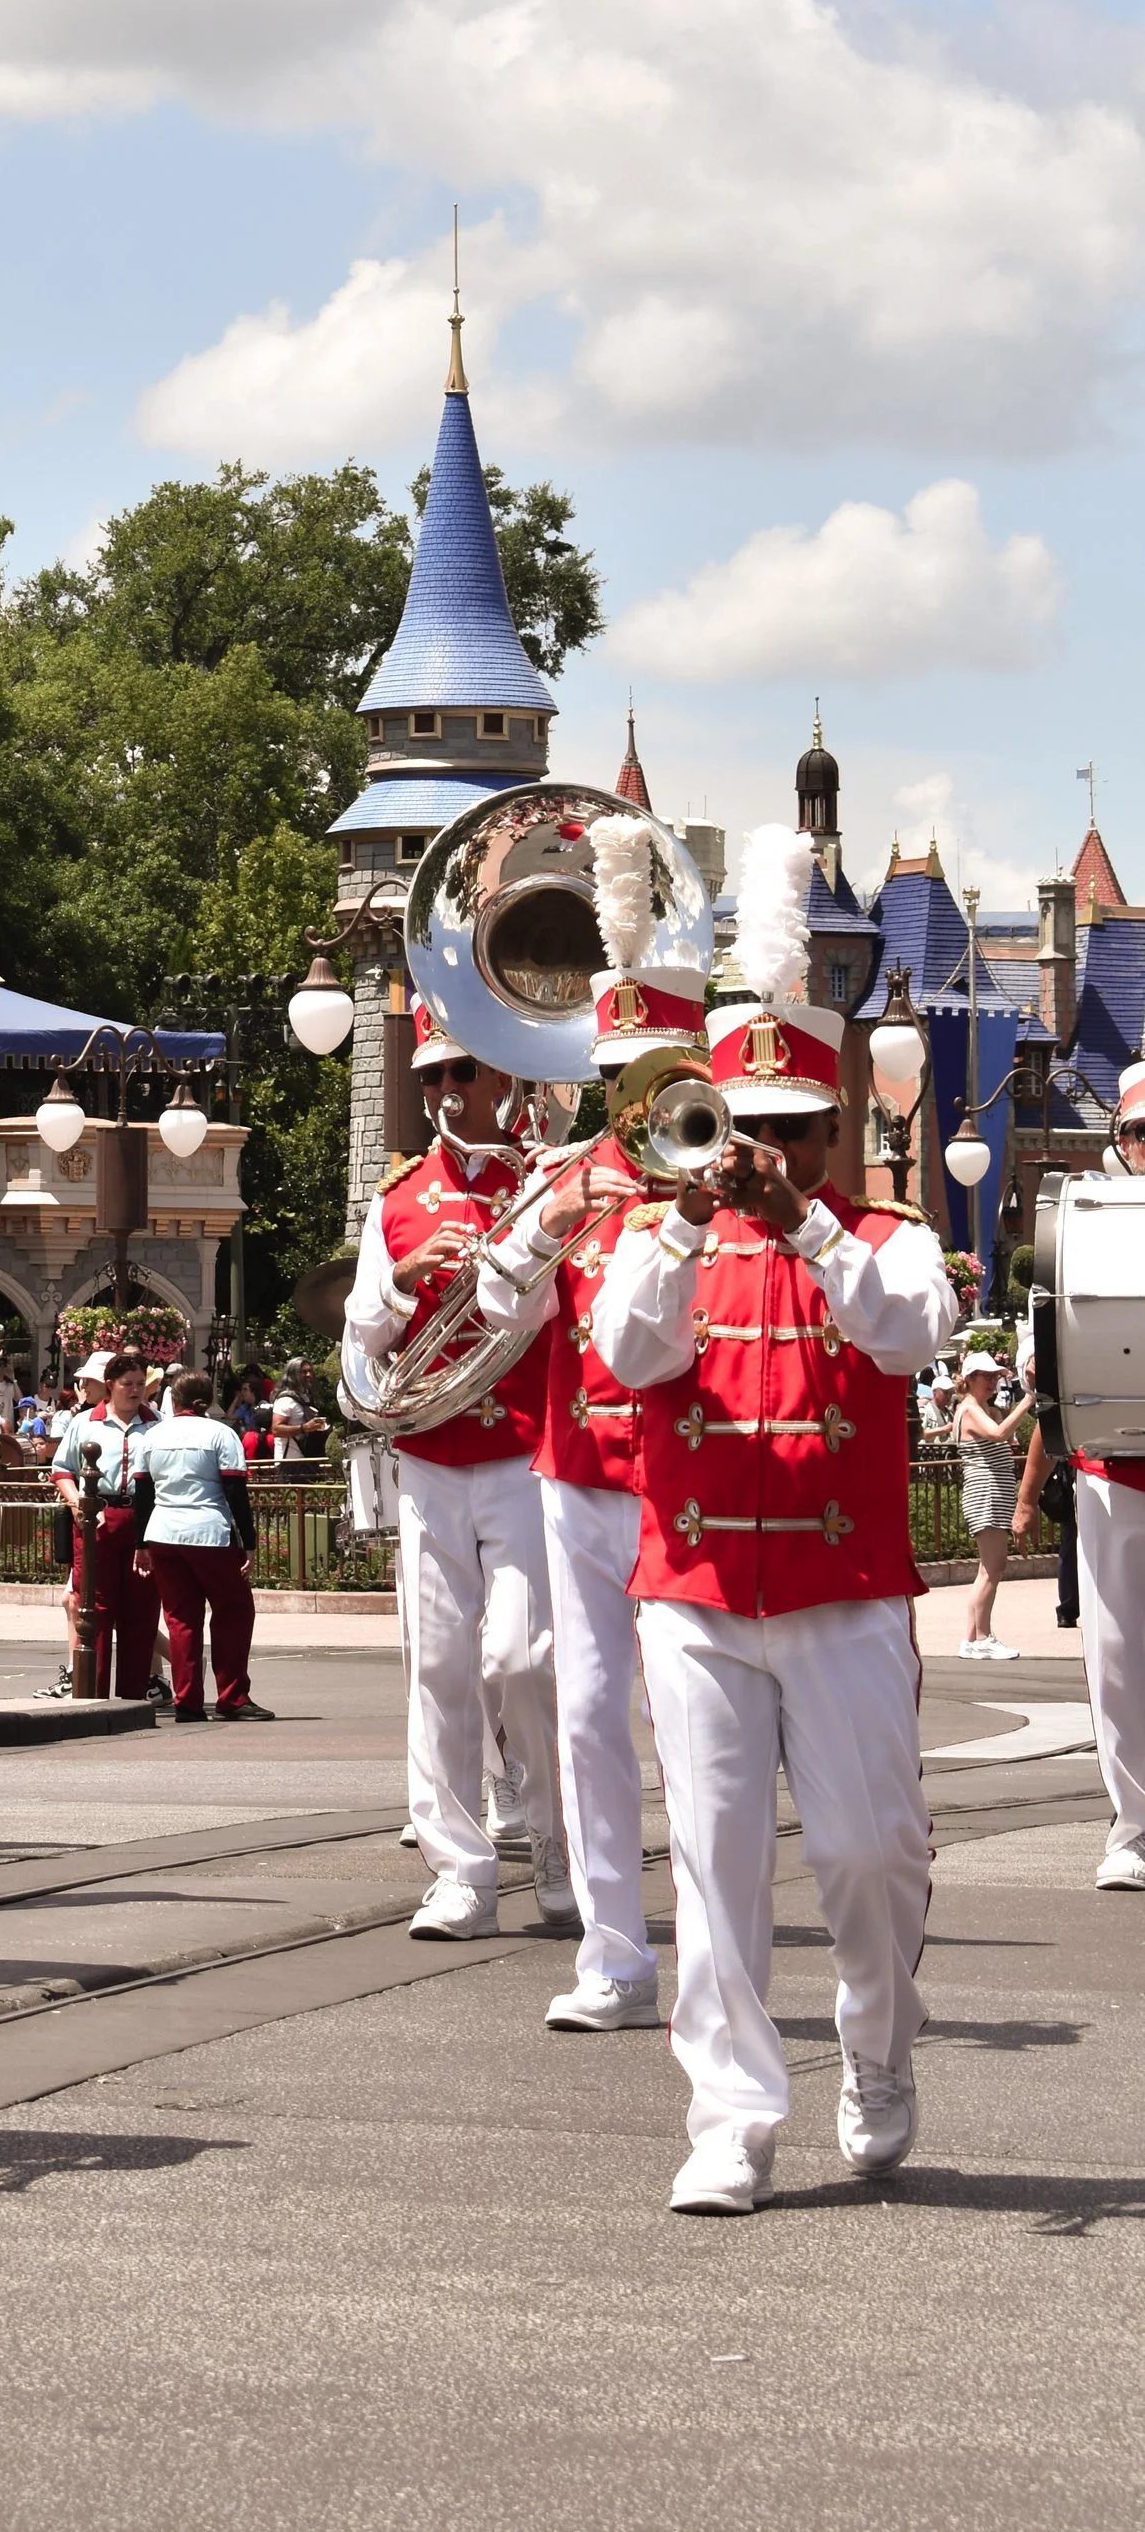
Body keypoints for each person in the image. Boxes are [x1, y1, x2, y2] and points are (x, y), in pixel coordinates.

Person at [592, 842, 960, 2216]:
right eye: (748, 1120)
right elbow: (630, 1353)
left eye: (797, 1123)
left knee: (872, 1854)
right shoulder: (663, 1234)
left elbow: (910, 1329)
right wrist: (685, 1221)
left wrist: (806, 1224)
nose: (767, 1148)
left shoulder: (884, 1232)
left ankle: (876, 2043)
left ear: (835, 1129)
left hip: (844, 1594)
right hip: (693, 1591)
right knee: (717, 1858)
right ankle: (731, 2117)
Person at [474, 865, 705, 2033]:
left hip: (685, 1478)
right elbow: (500, 1315)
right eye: (615, 1078)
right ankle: (615, 1953)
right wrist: (532, 1238)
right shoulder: (573, 1181)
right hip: (577, 1475)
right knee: (584, 1707)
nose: (633, 1097)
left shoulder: (721, 1181)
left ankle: (713, 1945)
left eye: (653, 1075)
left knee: (687, 1721)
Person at [343, 1021, 573, 1945]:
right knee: (436, 1670)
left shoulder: (549, 1183)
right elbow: (361, 1335)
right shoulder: (398, 1196)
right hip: (432, 1457)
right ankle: (459, 1873)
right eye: (432, 1073)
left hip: (524, 1454)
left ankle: (555, 1843)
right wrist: (401, 1280)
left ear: (501, 1078)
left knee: (524, 1662)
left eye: (462, 1070)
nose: (445, 1088)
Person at [1019, 1060, 1145, 1892]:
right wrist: (1041, 1368)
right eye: (1139, 1132)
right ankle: (1132, 1826)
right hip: (1114, 1470)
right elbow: (1047, 1335)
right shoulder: (1090, 1214)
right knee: (1118, 1655)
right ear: (1119, 1141)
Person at [133, 1373, 265, 1720]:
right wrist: (248, 1544)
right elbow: (237, 1494)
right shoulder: (222, 1434)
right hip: (209, 1532)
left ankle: (188, 1702)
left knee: (180, 1619)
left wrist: (140, 1542)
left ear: (173, 1402)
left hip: (163, 1532)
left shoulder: (152, 1436)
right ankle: (232, 1698)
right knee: (233, 1611)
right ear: (207, 1401)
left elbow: (143, 1495)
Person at [48, 1352, 162, 1699]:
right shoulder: (86, 1422)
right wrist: (78, 1503)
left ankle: (132, 1697)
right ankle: (91, 1695)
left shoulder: (156, 1421)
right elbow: (62, 1469)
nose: (136, 1391)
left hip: (143, 1519)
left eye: (141, 1384)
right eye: (128, 1384)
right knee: (94, 1608)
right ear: (110, 1386)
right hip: (98, 1519)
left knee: (141, 1608)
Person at [954, 1348, 1035, 1660]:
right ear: (971, 1378)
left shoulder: (978, 1408)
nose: (992, 1381)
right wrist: (1028, 1400)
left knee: (986, 1570)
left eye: (995, 1376)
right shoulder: (971, 1410)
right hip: (985, 1495)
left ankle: (973, 1638)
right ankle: (983, 1637)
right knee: (994, 1567)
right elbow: (1000, 1434)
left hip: (992, 1495)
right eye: (986, 1376)